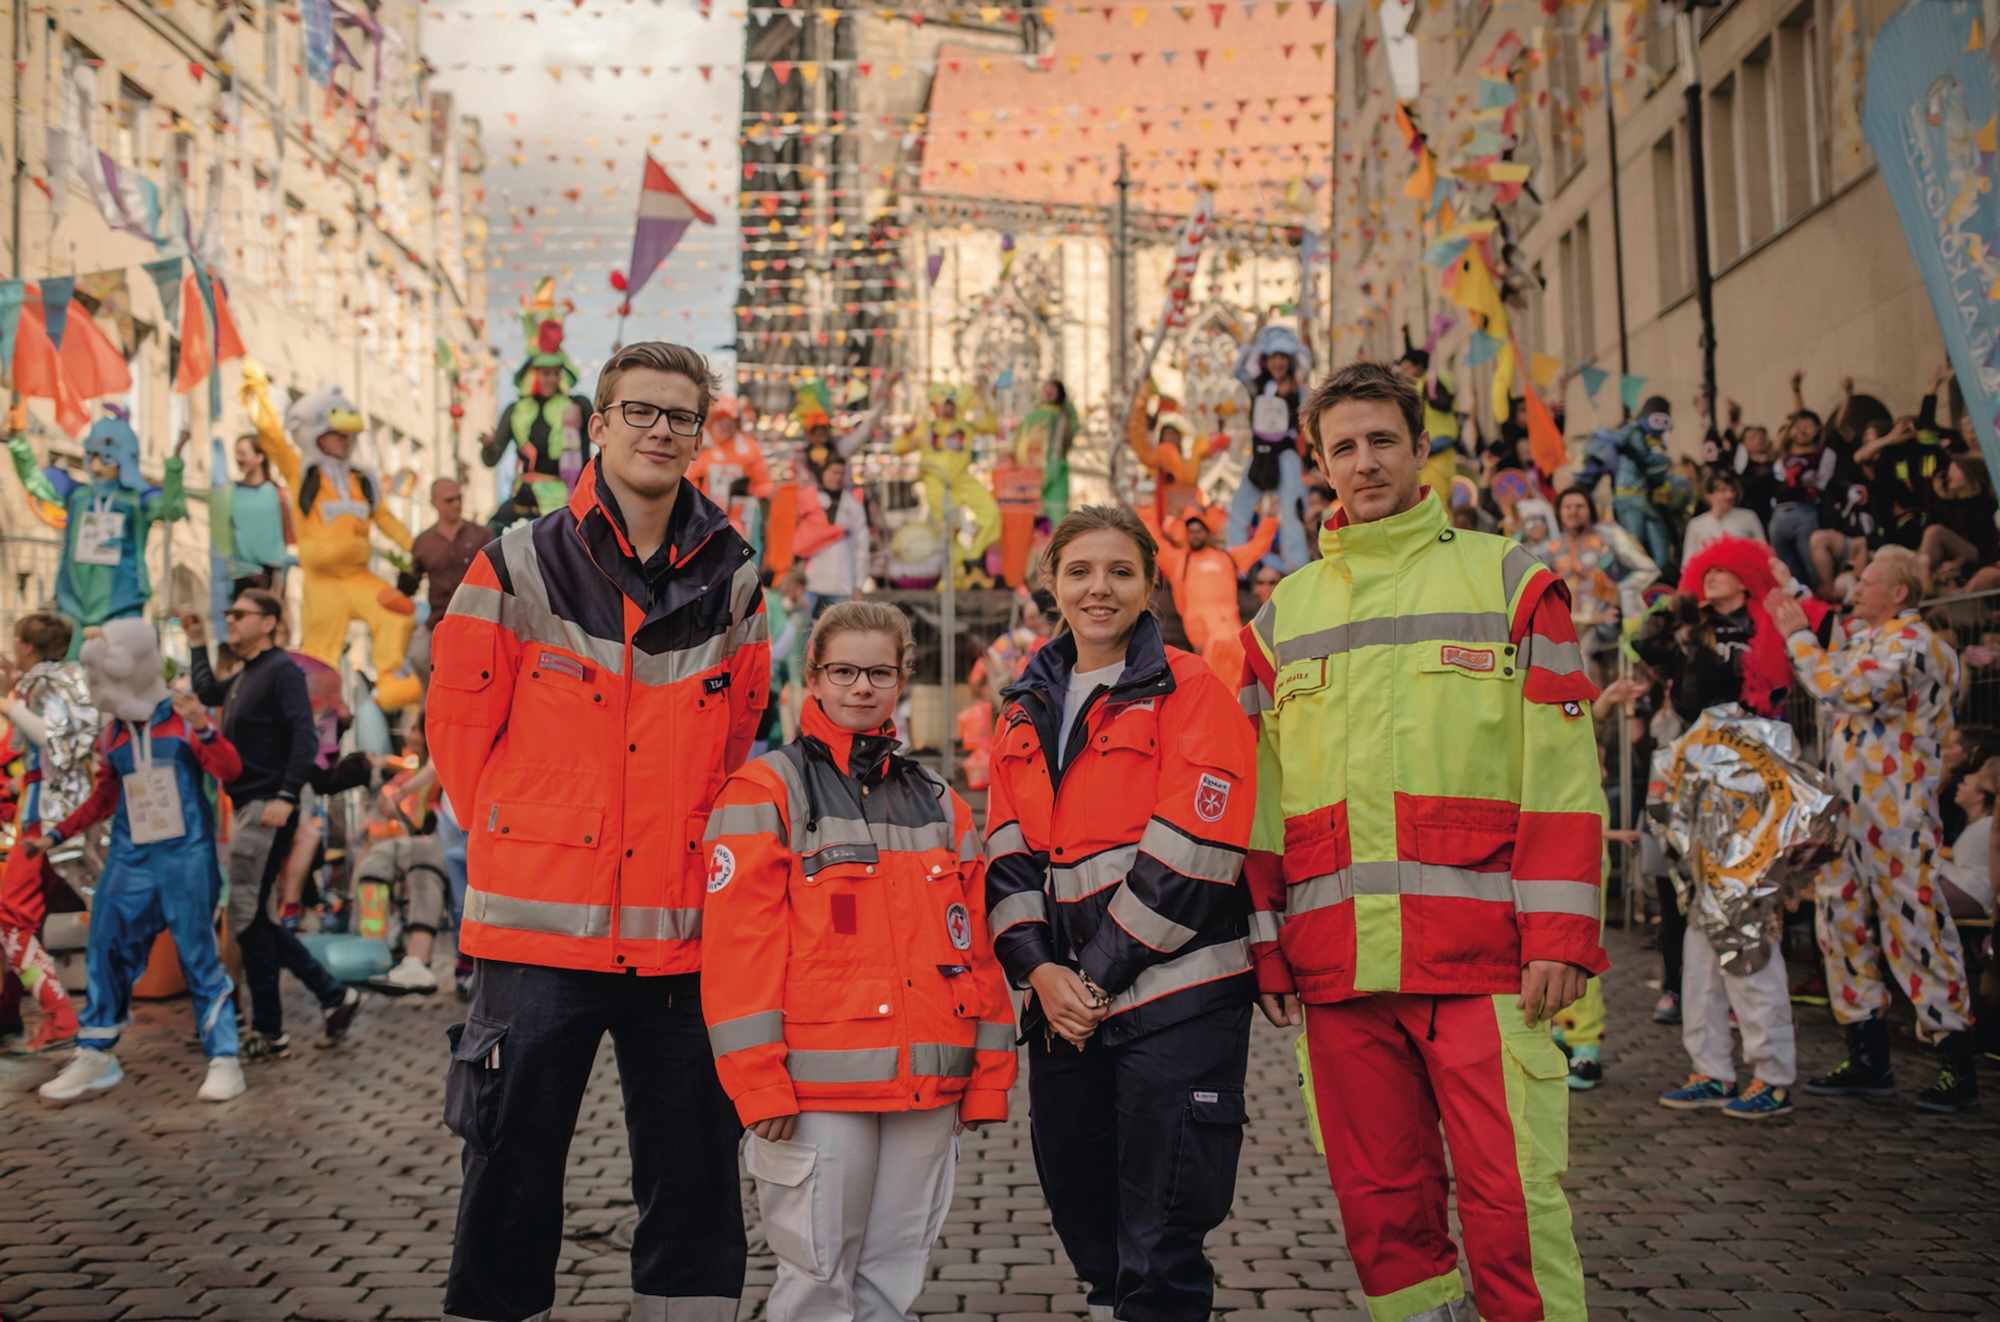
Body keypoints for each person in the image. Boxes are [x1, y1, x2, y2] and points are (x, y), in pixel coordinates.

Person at [1242, 362, 1605, 1322]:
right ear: (1319, 465)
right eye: (1344, 448)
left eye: (1382, 441)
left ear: (1419, 449)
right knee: (1383, 1214)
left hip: (1485, 962)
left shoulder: (1511, 581)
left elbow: (1564, 777)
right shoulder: (1279, 618)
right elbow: (1261, 808)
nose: (1365, 463)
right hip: (1339, 971)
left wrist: (1561, 936)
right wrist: (1268, 945)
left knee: (1513, 1205)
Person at [429, 341, 766, 1322]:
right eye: (640, 411)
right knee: (509, 1165)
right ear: (599, 425)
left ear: (698, 438)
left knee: (695, 1172)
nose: (659, 430)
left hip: (682, 932)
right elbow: (459, 736)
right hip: (538, 932)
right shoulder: (514, 562)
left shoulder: (735, 576)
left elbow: (737, 733)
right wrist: (534, 839)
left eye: (679, 416)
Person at [703, 601, 1016, 1321]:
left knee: (893, 1279)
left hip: (928, 1083)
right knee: (817, 1280)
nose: (861, 687)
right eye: (843, 671)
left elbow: (977, 949)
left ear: (902, 678)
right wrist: (758, 1084)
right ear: (812, 678)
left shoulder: (941, 803)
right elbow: (738, 953)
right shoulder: (766, 790)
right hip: (815, 1088)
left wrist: (989, 1076)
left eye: (879, 672)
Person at [984, 504, 1257, 1322]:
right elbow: (1005, 854)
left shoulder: (1192, 688)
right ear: (1052, 584)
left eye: (1119, 572)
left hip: (1177, 1001)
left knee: (1163, 1234)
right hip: (1067, 1010)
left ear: (1149, 587)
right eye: (1079, 572)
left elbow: (1194, 851)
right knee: (1087, 1217)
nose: (1098, 589)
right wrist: (1038, 972)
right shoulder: (1023, 703)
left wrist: (1090, 981)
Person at [1769, 546, 1979, 1112]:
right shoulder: (1867, 638)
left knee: (1916, 929)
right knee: (1840, 926)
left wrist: (1797, 636)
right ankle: (1868, 1060)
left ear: (1899, 593)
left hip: (1898, 817)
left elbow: (1841, 686)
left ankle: (1957, 1067)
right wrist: (1790, 588)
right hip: (1849, 817)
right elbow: (1836, 641)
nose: (1855, 590)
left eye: (1866, 582)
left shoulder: (1917, 645)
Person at [34, 620, 246, 1104]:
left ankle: (224, 1058)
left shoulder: (184, 716)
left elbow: (231, 770)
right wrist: (56, 834)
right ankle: (95, 1052)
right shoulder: (112, 734)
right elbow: (104, 797)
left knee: (197, 953)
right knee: (104, 943)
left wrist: (204, 727)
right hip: (131, 857)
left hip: (185, 854)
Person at [1638, 539, 1810, 1120]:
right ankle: (1710, 1067)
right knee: (1699, 924)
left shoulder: (1772, 620)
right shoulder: (1692, 630)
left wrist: (1788, 588)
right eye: (1704, 571)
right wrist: (1678, 606)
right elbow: (1648, 644)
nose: (1711, 577)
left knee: (1744, 923)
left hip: (1755, 779)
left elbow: (1818, 633)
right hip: (1699, 777)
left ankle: (1772, 1074)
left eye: (1722, 570)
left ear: (1745, 575)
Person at [185, 591, 363, 1060]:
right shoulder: (248, 673)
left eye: (239, 615)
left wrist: (286, 797)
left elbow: (304, 736)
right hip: (252, 806)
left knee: (245, 919)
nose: (231, 621)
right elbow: (207, 692)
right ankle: (332, 996)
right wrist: (198, 642)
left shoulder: (281, 671)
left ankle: (273, 1026)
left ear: (268, 623)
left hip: (267, 807)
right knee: (253, 919)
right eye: (228, 614)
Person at [239, 360, 423, 711]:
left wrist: (419, 548)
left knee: (398, 612)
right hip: (322, 584)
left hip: (359, 578)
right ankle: (317, 711)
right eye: (338, 435)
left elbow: (386, 520)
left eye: (349, 435)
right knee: (320, 653)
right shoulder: (301, 473)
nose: (345, 441)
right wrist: (259, 393)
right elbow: (273, 439)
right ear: (318, 435)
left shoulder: (362, 480)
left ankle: (391, 686)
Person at [4, 408, 187, 646]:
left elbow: (171, 509)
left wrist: (175, 463)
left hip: (121, 607)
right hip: (73, 607)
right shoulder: (77, 495)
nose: (96, 463)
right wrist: (18, 442)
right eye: (91, 454)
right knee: (71, 664)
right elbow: (35, 482)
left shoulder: (137, 501)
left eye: (105, 455)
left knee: (116, 664)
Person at [0, 613, 94, 1054]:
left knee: (11, 919)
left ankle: (60, 1015)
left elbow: (50, 740)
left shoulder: (42, 686)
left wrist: (9, 704)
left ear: (26, 646)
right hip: (57, 819)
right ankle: (12, 1013)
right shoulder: (63, 680)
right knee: (23, 921)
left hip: (43, 824)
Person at [1155, 504, 1277, 687]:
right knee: (1214, 689)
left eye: (1200, 531)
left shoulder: (1227, 558)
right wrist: (1145, 509)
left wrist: (1270, 519)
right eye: (1191, 531)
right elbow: (1155, 542)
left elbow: (1257, 547)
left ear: (1208, 533)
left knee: (1240, 688)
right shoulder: (1179, 561)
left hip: (1233, 638)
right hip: (1205, 644)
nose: (1196, 535)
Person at [1232, 323, 1312, 570]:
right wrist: (1254, 336)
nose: (1278, 362)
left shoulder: (1299, 391)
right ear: (1265, 360)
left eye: (1283, 357)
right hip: (1259, 456)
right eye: (1273, 357)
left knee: (1291, 509)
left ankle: (1296, 566)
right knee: (1239, 507)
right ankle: (1234, 561)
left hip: (1286, 455)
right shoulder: (1257, 386)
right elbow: (1238, 370)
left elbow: (1308, 365)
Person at [401, 479, 497, 622]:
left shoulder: (482, 536)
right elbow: (409, 588)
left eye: (459, 498)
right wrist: (404, 574)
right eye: (449, 500)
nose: (456, 504)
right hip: (440, 621)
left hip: (480, 620)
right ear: (434, 503)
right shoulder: (424, 543)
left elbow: (500, 579)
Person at [685, 397, 774, 541]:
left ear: (736, 423)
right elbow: (688, 484)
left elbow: (763, 483)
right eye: (720, 421)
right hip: (708, 522)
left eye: (729, 422)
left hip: (742, 524)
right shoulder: (703, 449)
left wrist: (762, 492)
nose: (724, 426)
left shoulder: (749, 448)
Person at [795, 455, 872, 616]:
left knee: (838, 628)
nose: (837, 477)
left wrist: (858, 585)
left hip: (841, 583)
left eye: (841, 473)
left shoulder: (853, 506)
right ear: (823, 473)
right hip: (809, 580)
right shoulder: (808, 498)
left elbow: (861, 547)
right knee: (801, 627)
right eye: (833, 472)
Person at [228, 432, 291, 596]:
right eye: (236, 453)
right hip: (241, 575)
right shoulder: (231, 492)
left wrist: (282, 573)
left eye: (243, 453)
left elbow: (288, 534)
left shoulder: (278, 493)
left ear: (259, 457)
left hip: (272, 576)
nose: (238, 458)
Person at [1939, 756, 1998, 920]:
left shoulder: (1988, 825)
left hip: (1972, 891)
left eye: (1964, 784)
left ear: (1980, 796)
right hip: (1965, 886)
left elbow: (1969, 870)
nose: (1958, 786)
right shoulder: (1976, 824)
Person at [1682, 471, 1766, 561]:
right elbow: (1688, 561)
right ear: (1708, 495)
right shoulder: (1696, 525)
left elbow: (1764, 552)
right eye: (1722, 490)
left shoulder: (1749, 517)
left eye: (1732, 490)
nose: (1730, 495)